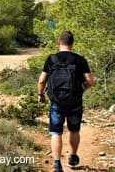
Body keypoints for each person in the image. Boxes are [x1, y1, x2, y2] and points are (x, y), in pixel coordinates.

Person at [37, 30, 96, 172]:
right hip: (75, 102)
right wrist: (81, 90)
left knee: (56, 133)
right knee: (74, 130)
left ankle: (57, 164)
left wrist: (41, 95)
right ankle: (73, 157)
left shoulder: (51, 59)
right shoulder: (80, 59)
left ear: (59, 42)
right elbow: (90, 81)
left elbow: (41, 80)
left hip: (56, 102)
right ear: (72, 43)